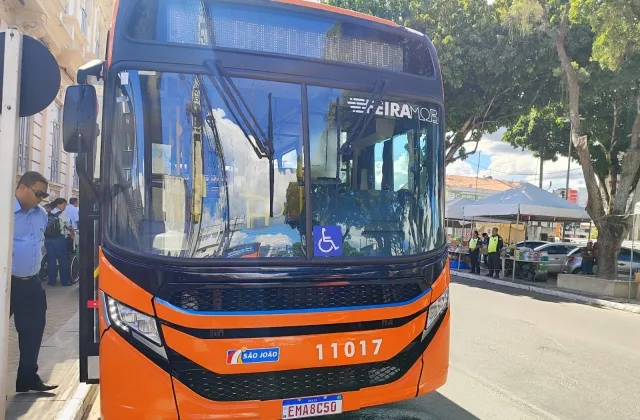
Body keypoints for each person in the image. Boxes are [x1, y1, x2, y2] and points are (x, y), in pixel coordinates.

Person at [12, 171, 58, 392]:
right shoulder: (5, 210)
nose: (41, 199)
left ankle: (27, 377)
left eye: (44, 195)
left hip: (31, 283)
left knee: (34, 329)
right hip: (6, 284)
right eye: (38, 193)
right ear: (22, 188)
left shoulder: (41, 214)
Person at [44, 198, 74, 287]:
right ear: (58, 205)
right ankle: (64, 281)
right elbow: (69, 227)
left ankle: (52, 281)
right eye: (64, 205)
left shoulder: (48, 212)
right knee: (63, 260)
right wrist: (73, 233)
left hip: (48, 239)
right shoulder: (63, 214)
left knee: (51, 260)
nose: (65, 207)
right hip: (59, 239)